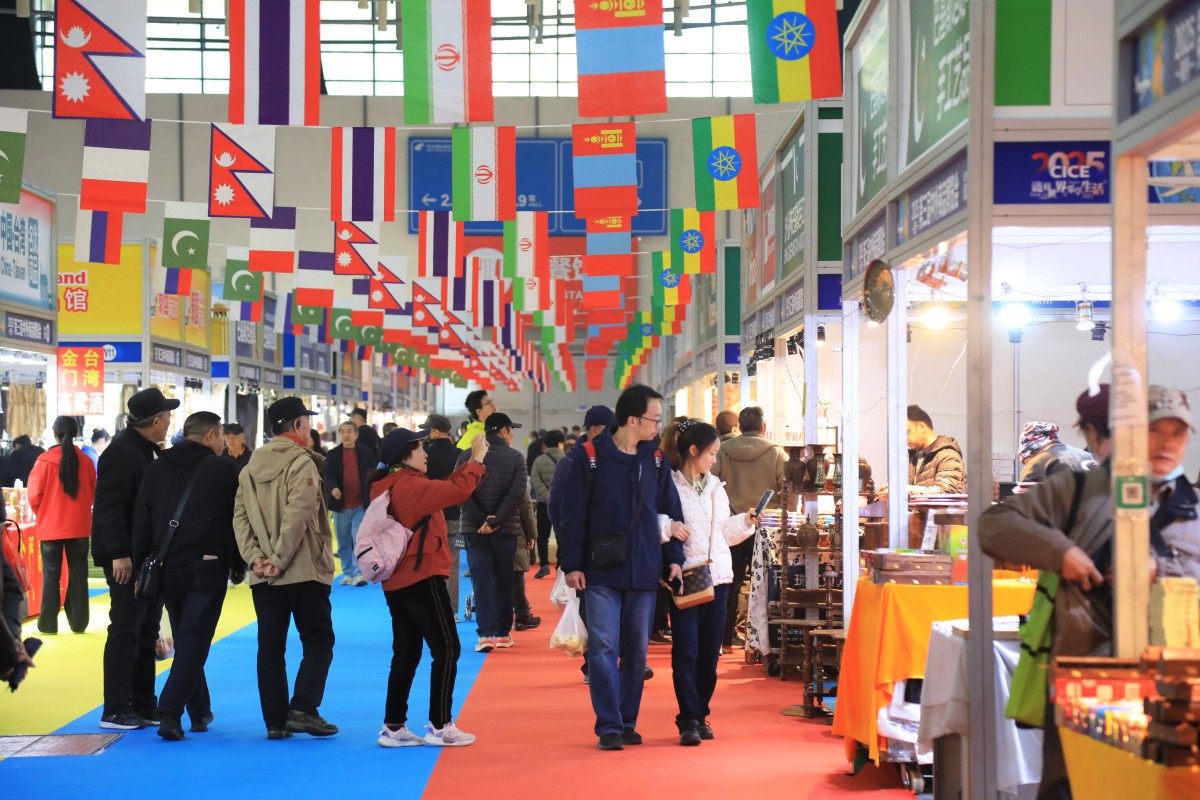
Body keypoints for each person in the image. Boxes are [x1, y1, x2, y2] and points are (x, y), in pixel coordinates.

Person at [978, 384, 1115, 800]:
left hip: (1155, 668)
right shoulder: (1073, 489)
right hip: (1083, 659)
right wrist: (1062, 551)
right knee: (1070, 775)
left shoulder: (1178, 500)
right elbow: (996, 526)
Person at [558, 385, 686, 750]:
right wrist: (572, 564)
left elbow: (671, 513)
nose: (659, 427)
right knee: (603, 646)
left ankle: (628, 721)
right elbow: (572, 513)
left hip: (644, 569)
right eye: (654, 420)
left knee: (637, 651)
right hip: (600, 569)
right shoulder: (590, 456)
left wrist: (674, 559)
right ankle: (609, 726)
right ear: (632, 420)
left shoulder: (655, 459)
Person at [371, 427, 487, 748]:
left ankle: (394, 726)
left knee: (406, 652)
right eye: (420, 448)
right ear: (405, 457)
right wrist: (477, 459)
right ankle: (440, 725)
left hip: (400, 580)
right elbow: (454, 492)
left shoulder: (395, 483)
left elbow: (445, 487)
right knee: (447, 648)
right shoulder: (409, 486)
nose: (426, 454)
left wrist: (472, 464)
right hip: (422, 576)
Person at [130, 411, 242, 741]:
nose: (223, 443)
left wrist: (141, 565)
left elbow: (142, 520)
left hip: (167, 565)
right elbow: (236, 518)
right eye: (221, 436)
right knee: (194, 640)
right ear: (209, 436)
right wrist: (239, 562)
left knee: (187, 635)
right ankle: (169, 712)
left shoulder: (157, 467)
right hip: (208, 563)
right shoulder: (223, 468)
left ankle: (200, 710)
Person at [233, 397, 338, 740]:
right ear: (297, 425)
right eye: (307, 421)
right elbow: (299, 513)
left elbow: (240, 519)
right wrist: (279, 560)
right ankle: (303, 708)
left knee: (270, 647)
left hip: (263, 576)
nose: (310, 427)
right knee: (318, 640)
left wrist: (256, 559)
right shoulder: (301, 462)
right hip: (302, 569)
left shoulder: (249, 468)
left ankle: (275, 722)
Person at [661, 419, 758, 745]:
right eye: (712, 453)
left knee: (709, 653)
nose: (715, 459)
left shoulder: (716, 486)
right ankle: (688, 718)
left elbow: (722, 533)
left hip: (719, 577)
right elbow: (656, 523)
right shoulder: (669, 486)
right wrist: (667, 528)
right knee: (686, 650)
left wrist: (745, 522)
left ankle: (700, 714)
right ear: (693, 450)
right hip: (687, 576)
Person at [92, 387, 177, 730]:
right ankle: (115, 707)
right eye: (167, 416)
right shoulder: (122, 452)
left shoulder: (146, 450)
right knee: (126, 629)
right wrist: (120, 553)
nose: (169, 422)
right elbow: (109, 507)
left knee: (146, 629)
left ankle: (143, 703)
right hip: (126, 558)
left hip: (147, 556)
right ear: (155, 421)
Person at [548, 405, 619, 684]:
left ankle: (616, 662)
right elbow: (557, 507)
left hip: (614, 549)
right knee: (590, 609)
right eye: (609, 430)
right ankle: (594, 666)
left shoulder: (614, 457)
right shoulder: (573, 461)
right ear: (593, 430)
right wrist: (571, 548)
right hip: (587, 550)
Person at [711, 405, 786, 650]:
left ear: (740, 427)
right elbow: (788, 490)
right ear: (763, 427)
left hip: (732, 524)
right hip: (766, 526)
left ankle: (724, 638)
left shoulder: (722, 451)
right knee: (763, 583)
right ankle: (762, 640)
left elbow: (711, 482)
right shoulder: (777, 454)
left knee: (729, 583)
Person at [460, 412, 527, 652]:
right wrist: (496, 520)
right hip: (505, 529)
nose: (512, 435)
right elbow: (517, 493)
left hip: (474, 529)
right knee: (504, 580)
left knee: (481, 580)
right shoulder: (516, 457)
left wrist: (482, 520)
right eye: (511, 430)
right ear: (503, 431)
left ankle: (485, 636)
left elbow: (461, 491)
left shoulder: (466, 456)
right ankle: (502, 633)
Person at [27, 416, 97, 635]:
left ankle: (48, 624)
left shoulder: (43, 461)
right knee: (79, 574)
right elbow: (92, 493)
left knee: (51, 575)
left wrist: (45, 514)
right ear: (76, 434)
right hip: (79, 526)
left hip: (51, 527)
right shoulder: (86, 461)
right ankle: (79, 623)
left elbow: (33, 496)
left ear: (54, 433)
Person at [421, 414, 464, 616]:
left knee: (430, 563)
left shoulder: (425, 454)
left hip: (431, 514)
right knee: (453, 563)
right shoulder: (461, 454)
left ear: (435, 432)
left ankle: (434, 607)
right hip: (455, 513)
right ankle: (451, 609)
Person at [322, 421, 374, 587]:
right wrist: (333, 488)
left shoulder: (366, 453)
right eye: (342, 431)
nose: (346, 434)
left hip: (361, 504)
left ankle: (359, 573)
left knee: (359, 539)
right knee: (343, 541)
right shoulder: (333, 454)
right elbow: (328, 474)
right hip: (341, 505)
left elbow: (373, 474)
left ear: (356, 434)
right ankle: (347, 572)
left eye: (349, 431)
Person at [902, 405, 965, 495]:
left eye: (907, 432)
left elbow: (945, 491)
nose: (905, 439)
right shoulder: (913, 457)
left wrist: (901, 490)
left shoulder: (948, 455)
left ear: (921, 427)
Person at [530, 430, 566, 578]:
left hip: (544, 504)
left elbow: (535, 482)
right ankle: (560, 565)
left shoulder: (539, 460)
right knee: (561, 535)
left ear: (545, 444)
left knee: (542, 535)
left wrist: (548, 497)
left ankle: (544, 564)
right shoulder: (567, 459)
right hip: (563, 504)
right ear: (560, 443)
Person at [1018, 421, 1097, 482]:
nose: (1026, 465)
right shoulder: (1087, 455)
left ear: (1029, 453)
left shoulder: (1036, 464)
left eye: (1025, 462)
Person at [513, 495, 542, 631]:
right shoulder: (518, 482)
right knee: (516, 577)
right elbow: (527, 510)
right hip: (514, 532)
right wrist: (532, 535)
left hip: (484, 534)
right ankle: (522, 616)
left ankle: (492, 623)